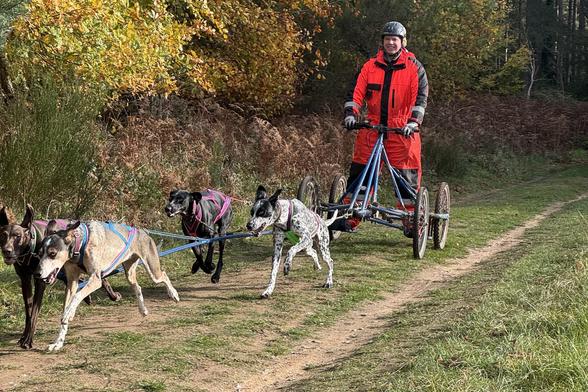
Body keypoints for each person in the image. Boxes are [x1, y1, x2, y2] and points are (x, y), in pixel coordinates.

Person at [331, 21, 429, 234]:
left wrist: (413, 122)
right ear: (382, 43)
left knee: (405, 177)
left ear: (403, 42)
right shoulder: (369, 67)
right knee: (361, 172)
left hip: (402, 130)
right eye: (387, 39)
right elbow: (355, 93)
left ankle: (410, 219)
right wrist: (351, 115)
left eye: (395, 39)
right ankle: (353, 216)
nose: (391, 43)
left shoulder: (414, 68)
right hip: (371, 128)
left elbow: (419, 99)